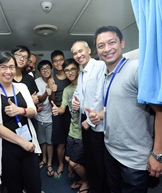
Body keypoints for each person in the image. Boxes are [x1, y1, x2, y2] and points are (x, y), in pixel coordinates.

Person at [87, 26, 162, 193]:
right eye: (101, 45)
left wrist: (158, 154)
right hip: (111, 150)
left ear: (122, 43)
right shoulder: (105, 74)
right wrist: (100, 115)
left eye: (112, 42)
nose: (107, 49)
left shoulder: (136, 69)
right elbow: (116, 106)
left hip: (134, 158)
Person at [0, 52, 42, 193]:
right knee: (14, 187)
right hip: (7, 147)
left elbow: (33, 111)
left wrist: (20, 111)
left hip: (29, 144)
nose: (8, 71)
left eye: (11, 67)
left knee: (35, 186)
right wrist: (22, 143)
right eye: (3, 67)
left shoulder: (22, 87)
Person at [71, 41, 108, 193]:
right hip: (84, 119)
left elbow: (100, 96)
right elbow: (79, 94)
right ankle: (93, 186)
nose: (78, 55)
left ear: (89, 50)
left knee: (100, 162)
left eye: (80, 51)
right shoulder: (82, 73)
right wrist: (75, 102)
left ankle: (101, 189)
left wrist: (89, 122)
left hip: (96, 122)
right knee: (90, 159)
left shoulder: (100, 66)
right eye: (74, 53)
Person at [52, 58, 89, 192]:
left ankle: (86, 182)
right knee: (68, 158)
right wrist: (57, 110)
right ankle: (81, 178)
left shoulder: (86, 85)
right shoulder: (67, 90)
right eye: (67, 70)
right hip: (71, 131)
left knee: (74, 162)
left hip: (83, 132)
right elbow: (63, 108)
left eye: (72, 69)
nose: (70, 72)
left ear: (78, 70)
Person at [47, 50, 71, 179]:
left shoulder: (70, 75)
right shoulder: (52, 79)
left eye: (60, 60)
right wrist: (52, 91)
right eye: (55, 61)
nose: (58, 63)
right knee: (60, 142)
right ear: (53, 63)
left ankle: (72, 165)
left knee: (72, 140)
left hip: (72, 112)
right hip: (58, 112)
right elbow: (51, 99)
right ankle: (61, 164)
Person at [34, 60, 54, 177]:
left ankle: (50, 163)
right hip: (39, 117)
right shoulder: (36, 82)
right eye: (42, 69)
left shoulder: (54, 80)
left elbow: (54, 100)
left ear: (51, 69)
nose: (45, 70)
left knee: (50, 142)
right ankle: (44, 159)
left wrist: (51, 90)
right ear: (39, 71)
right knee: (42, 141)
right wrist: (46, 93)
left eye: (47, 68)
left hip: (51, 117)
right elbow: (38, 99)